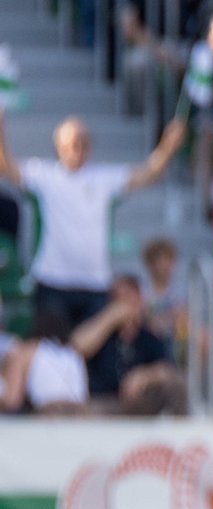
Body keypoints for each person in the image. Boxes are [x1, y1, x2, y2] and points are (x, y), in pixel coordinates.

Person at [0, 111, 186, 330]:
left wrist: (168, 146)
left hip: (95, 284)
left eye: (84, 140)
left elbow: (149, 173)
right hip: (51, 282)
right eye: (73, 141)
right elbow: (7, 167)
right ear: (59, 145)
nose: (79, 145)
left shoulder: (103, 178)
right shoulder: (44, 175)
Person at [70, 276, 188, 416]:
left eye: (129, 297)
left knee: (177, 386)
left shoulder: (149, 334)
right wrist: (110, 318)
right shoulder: (103, 333)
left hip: (141, 401)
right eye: (118, 298)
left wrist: (144, 376)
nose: (124, 303)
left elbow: (168, 369)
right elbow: (77, 346)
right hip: (105, 401)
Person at [1, 310, 89, 415]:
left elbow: (12, 400)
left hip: (49, 412)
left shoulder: (27, 351)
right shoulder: (74, 352)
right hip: (80, 414)